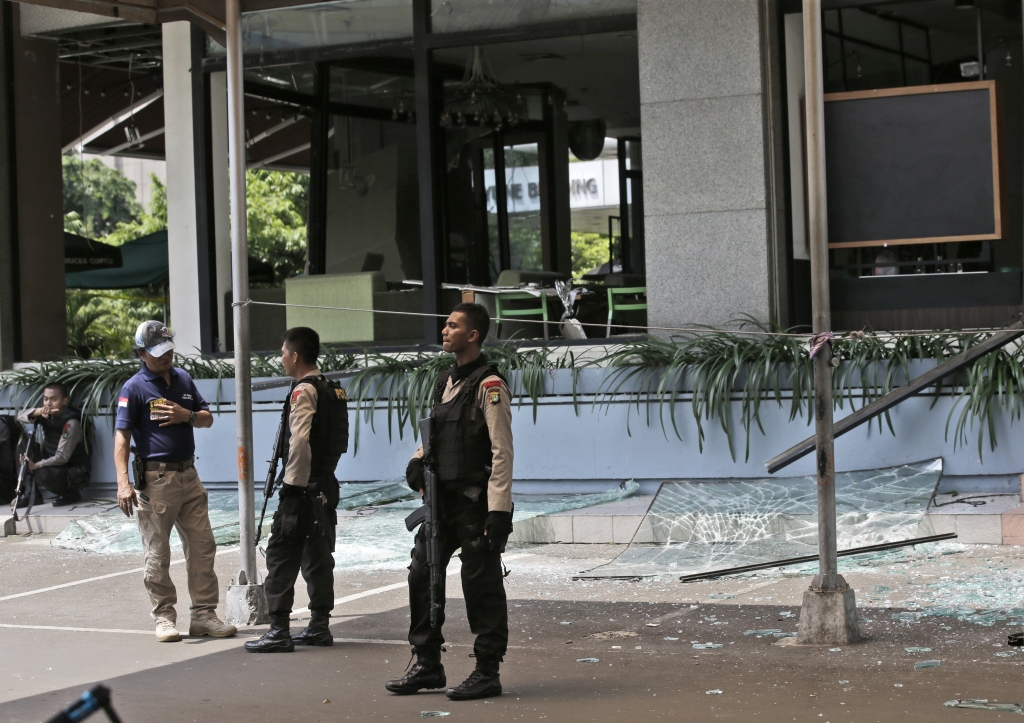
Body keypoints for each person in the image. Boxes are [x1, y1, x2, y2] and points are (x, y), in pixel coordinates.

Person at [385, 302, 514, 702]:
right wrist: (415, 462)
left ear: (472, 335)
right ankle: (427, 664)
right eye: (445, 325)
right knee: (421, 575)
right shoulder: (445, 382)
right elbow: (433, 436)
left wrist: (499, 511)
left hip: (476, 505)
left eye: (453, 326)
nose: (445, 330)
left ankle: (487, 671)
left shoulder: (490, 385)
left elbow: (501, 452)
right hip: (442, 505)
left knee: (481, 586)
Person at [113, 321, 237, 643]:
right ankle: (164, 618)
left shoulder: (183, 378)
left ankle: (204, 615)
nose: (165, 357)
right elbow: (122, 439)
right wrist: (123, 482)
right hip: (156, 480)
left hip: (189, 475)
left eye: (168, 350)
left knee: (203, 546)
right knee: (157, 552)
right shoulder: (134, 388)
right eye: (157, 353)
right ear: (141, 354)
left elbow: (207, 418)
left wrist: (188, 416)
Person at [245, 327, 348, 653]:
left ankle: (278, 631)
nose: (281, 358)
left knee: (281, 554)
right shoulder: (333, 389)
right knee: (318, 556)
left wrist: (293, 487)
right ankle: (319, 626)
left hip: (303, 488)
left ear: (294, 355)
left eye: (282, 352)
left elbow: (300, 441)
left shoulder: (304, 391)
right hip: (326, 485)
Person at [14, 383, 91, 507]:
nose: (48, 404)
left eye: (54, 399)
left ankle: (70, 493)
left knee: (40, 472)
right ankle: (31, 494)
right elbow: (19, 416)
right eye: (45, 399)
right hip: (53, 462)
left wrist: (36, 465)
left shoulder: (71, 423)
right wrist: (38, 411)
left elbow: (62, 457)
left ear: (64, 401)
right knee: (23, 445)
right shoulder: (46, 415)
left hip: (70, 471)